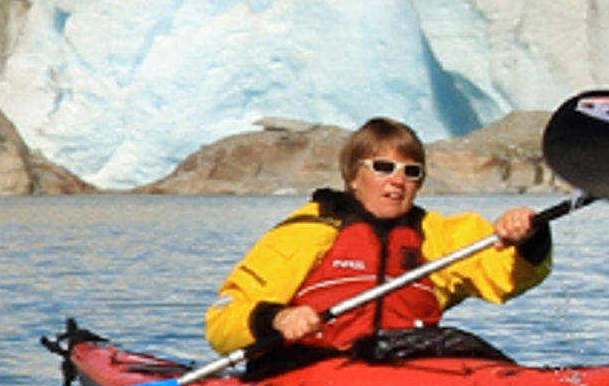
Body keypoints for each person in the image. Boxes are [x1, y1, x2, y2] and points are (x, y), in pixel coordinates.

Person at [206, 118, 550, 359]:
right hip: (308, 371)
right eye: (383, 168)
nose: (398, 181)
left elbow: (507, 277)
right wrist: (277, 318)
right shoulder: (309, 231)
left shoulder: (439, 236)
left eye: (411, 172)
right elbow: (223, 320)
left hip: (409, 369)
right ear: (354, 176)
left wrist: (527, 234)